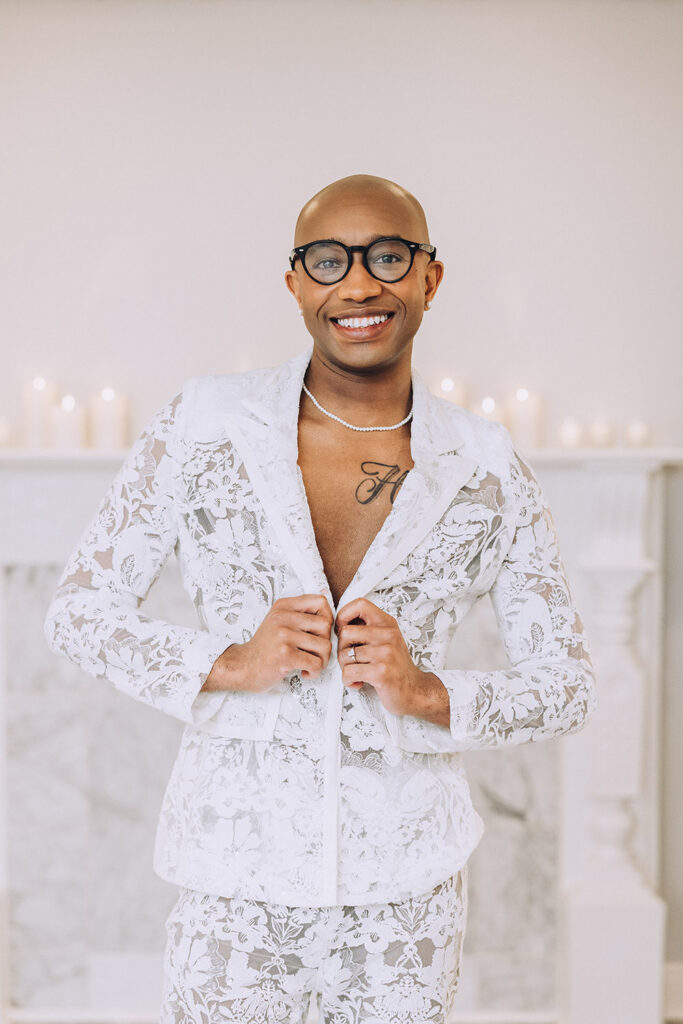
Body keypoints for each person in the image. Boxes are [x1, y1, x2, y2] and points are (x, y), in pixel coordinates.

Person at [43, 173, 597, 1023]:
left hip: (408, 886)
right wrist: (227, 662)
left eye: (386, 255)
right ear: (296, 282)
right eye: (328, 259)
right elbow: (79, 608)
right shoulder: (206, 423)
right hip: (233, 873)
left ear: (427, 278)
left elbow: (567, 682)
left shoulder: (483, 463)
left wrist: (431, 692)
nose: (359, 284)